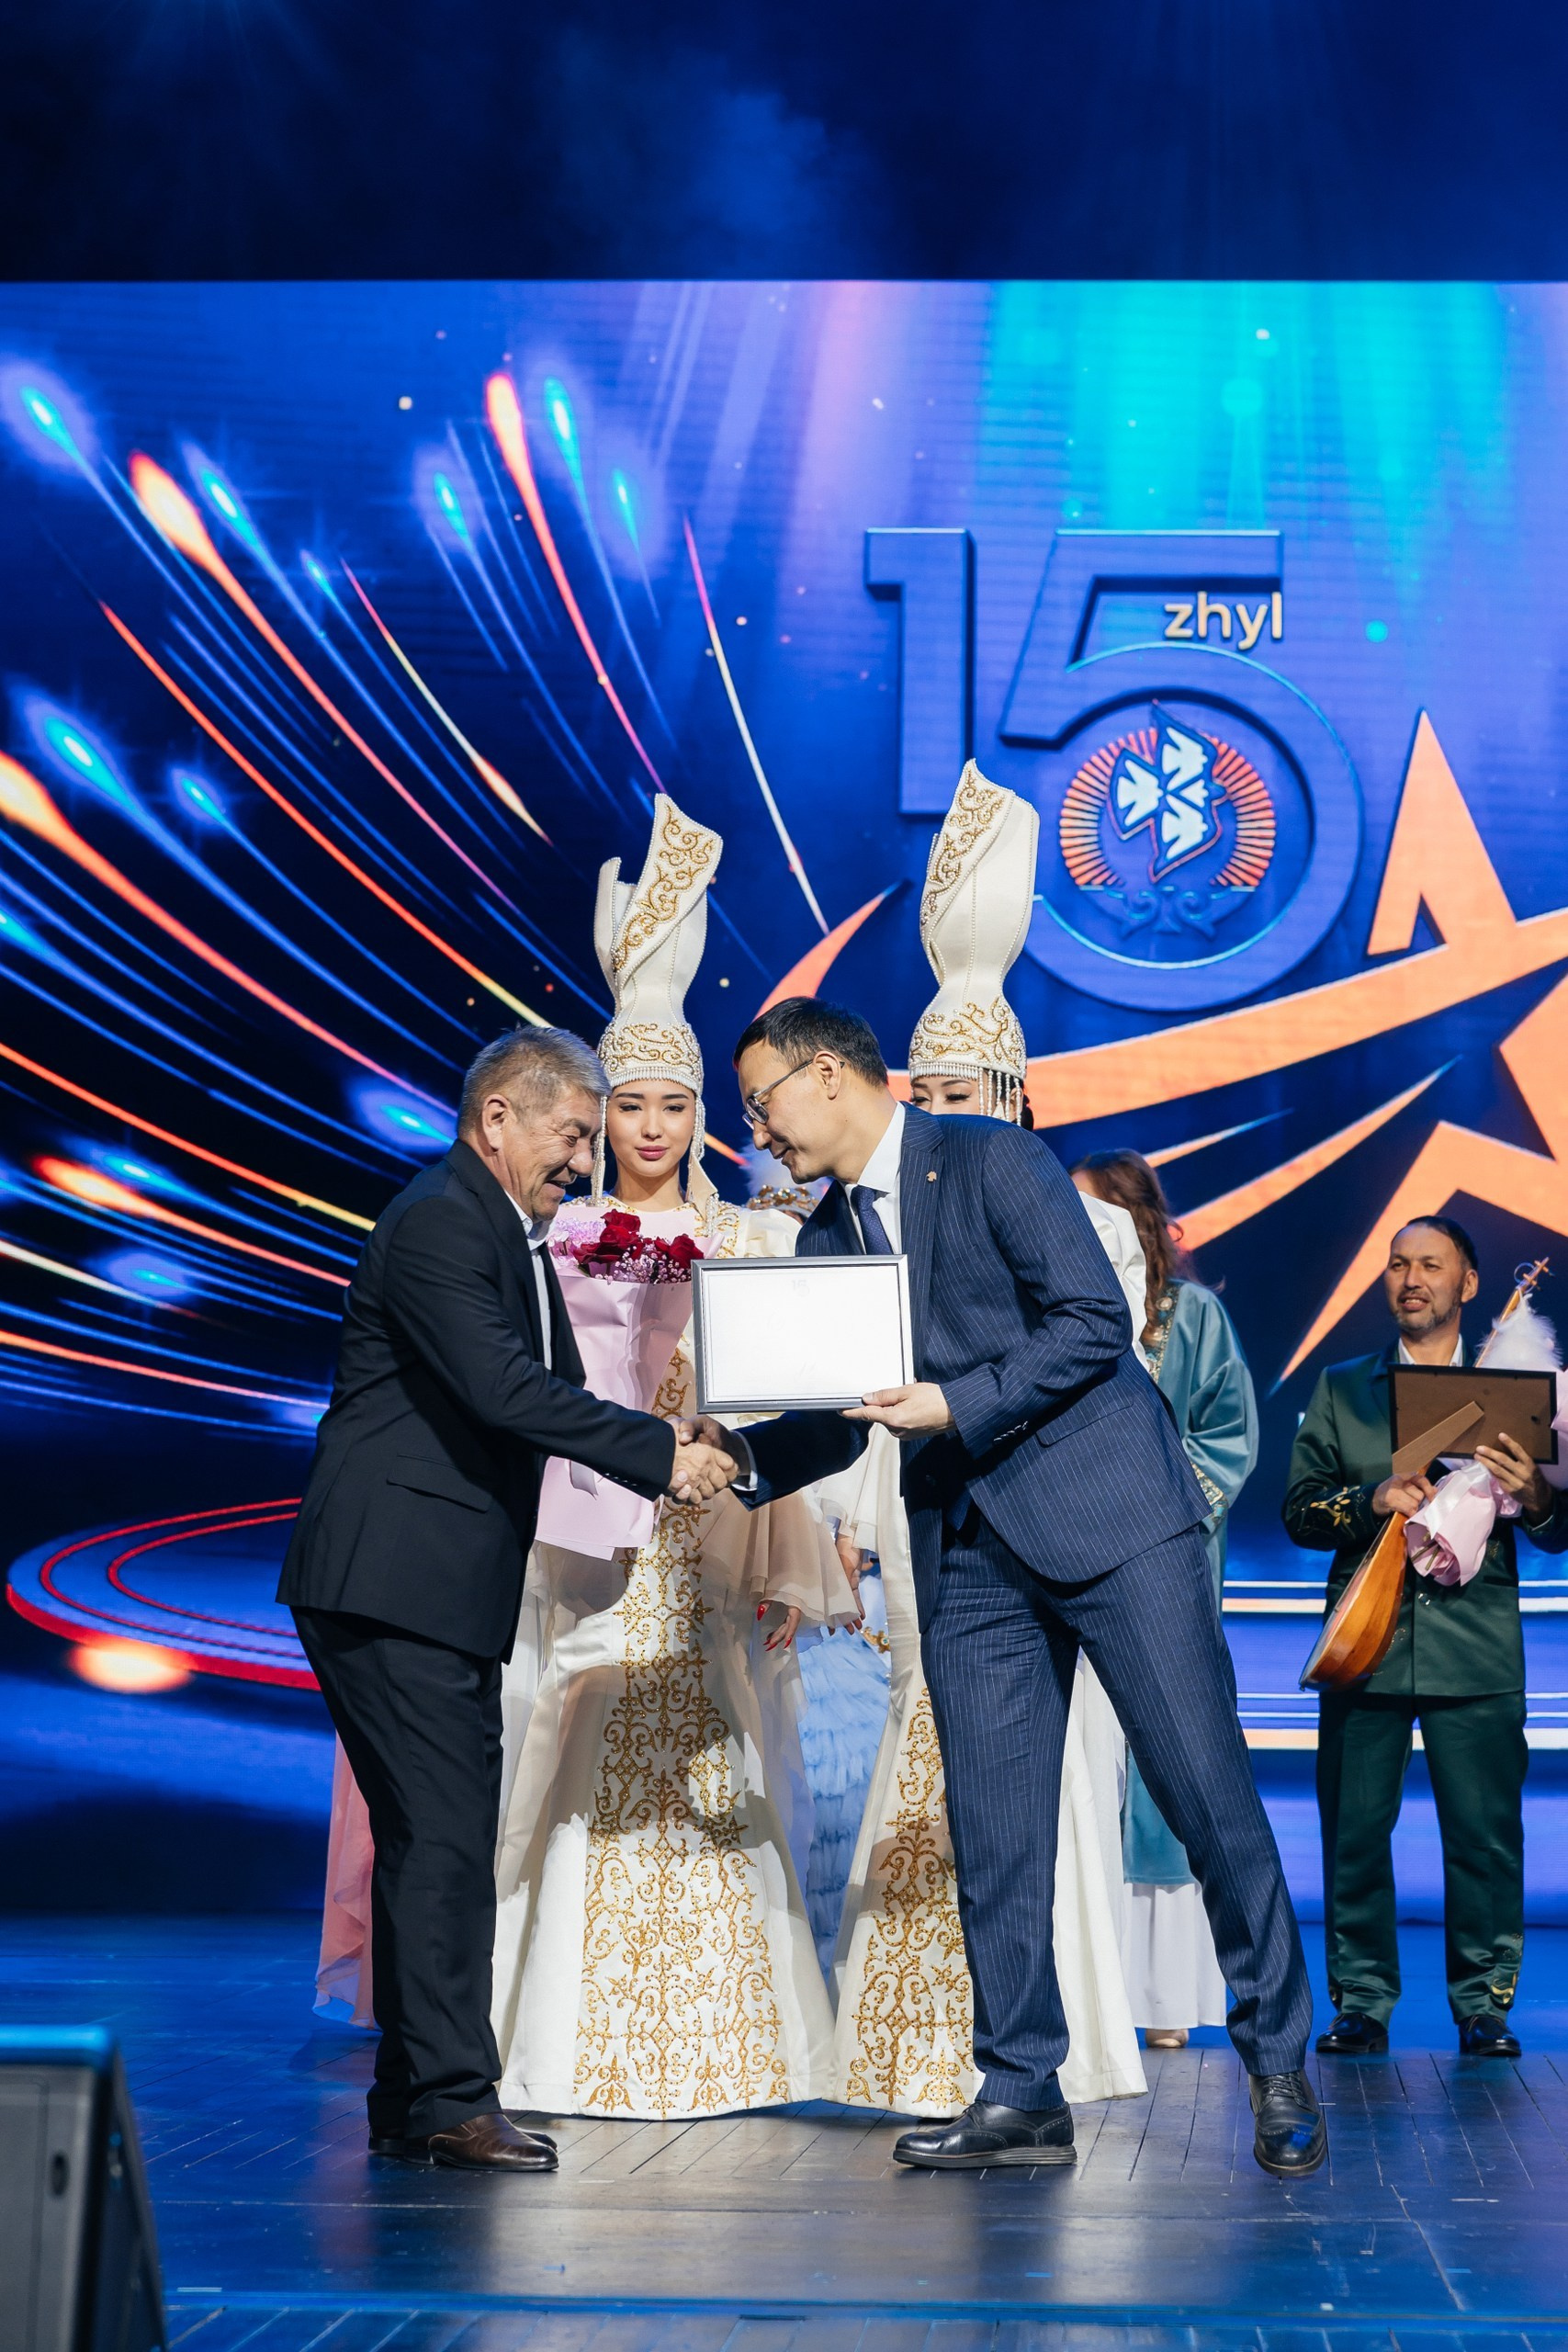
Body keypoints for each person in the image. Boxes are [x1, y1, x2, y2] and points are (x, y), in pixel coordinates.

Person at [710, 995, 1323, 2177]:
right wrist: (733, 1455)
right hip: (968, 1544)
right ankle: (1023, 2088)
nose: (760, 1130)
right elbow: (839, 1421)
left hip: (1112, 1516)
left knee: (1202, 1787)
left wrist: (957, 1402)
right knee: (995, 1826)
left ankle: (1277, 2057)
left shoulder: (990, 1158)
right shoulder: (829, 1238)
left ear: (829, 1072)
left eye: (761, 1100)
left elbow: (1094, 1321)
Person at [278, 1023, 733, 2173]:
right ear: (497, 1118)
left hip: (427, 1581)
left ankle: (412, 2092)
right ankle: (452, 2098)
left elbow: (556, 1385)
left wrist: (682, 1432)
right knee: (443, 1838)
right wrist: (658, 1456)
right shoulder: (443, 1221)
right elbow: (504, 1390)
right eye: (572, 1133)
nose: (584, 1159)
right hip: (396, 1577)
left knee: (427, 1837)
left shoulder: (503, 1228)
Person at [489, 795, 853, 2119]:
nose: (650, 1128)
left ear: (703, 1112)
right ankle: (556, 2035)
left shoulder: (755, 1238)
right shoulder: (555, 1239)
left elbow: (798, 1411)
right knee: (574, 1742)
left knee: (714, 1746)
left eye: (673, 1105)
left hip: (705, 1538)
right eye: (629, 1105)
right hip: (581, 1534)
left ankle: (733, 2046)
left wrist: (793, 1546)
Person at [822, 764, 1145, 2113]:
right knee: (942, 1754)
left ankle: (1058, 2044)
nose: (946, 1113)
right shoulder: (882, 1214)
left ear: (1013, 1097)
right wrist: (843, 1520)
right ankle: (930, 2046)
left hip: (1062, 1517)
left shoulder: (1088, 1220)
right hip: (929, 1513)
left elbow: (1095, 1362)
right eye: (930, 1091)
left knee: (1044, 1775)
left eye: (969, 1092)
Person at [1284, 1216, 1568, 2057]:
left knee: (1484, 1839)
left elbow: (1556, 1530)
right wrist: (1369, 1499)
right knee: (1353, 1832)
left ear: (1467, 1284)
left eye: (1430, 1265)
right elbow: (1298, 1510)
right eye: (1398, 1264)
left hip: (1476, 1646)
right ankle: (1361, 2001)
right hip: (1365, 1641)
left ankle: (1483, 2004)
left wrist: (1536, 1495)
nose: (1411, 1280)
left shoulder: (1514, 1385)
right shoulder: (1343, 1387)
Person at [1071, 1148, 1258, 2049]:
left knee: (1164, 1762)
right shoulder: (1059, 1310)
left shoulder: (1192, 1316)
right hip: (1068, 1556)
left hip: (1163, 1558)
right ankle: (1087, 1988)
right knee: (1084, 1765)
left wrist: (1153, 1503)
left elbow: (1227, 1434)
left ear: (1135, 1218)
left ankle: (1162, 1995)